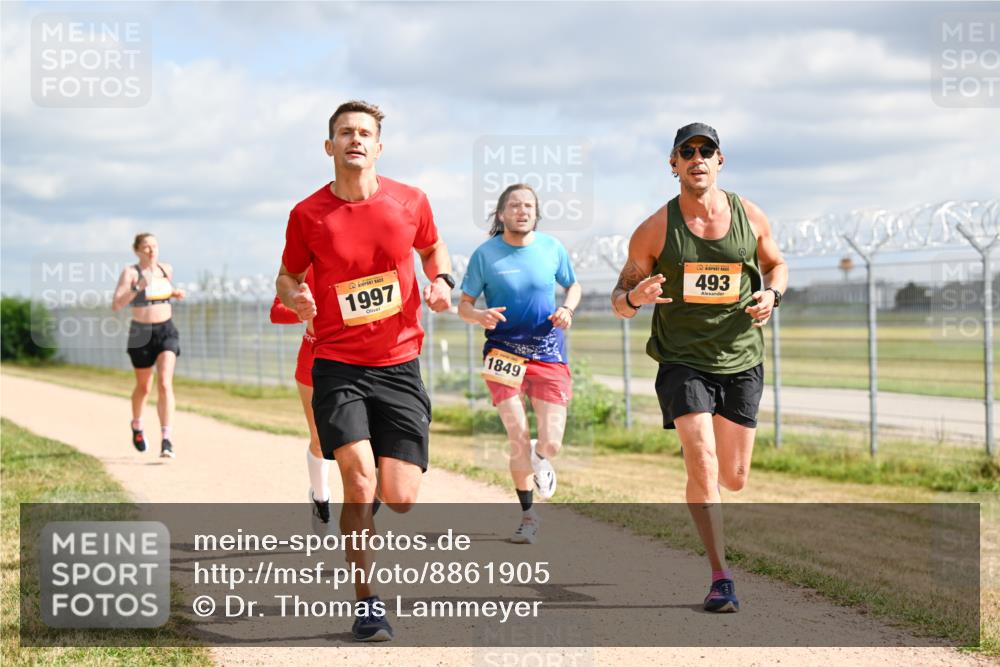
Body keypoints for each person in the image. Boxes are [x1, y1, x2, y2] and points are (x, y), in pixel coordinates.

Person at [276, 100, 452, 642]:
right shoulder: (308, 214)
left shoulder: (410, 201)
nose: (355, 140)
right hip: (337, 365)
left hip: (399, 364)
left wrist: (441, 279)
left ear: (379, 146)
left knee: (399, 497)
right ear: (329, 147)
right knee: (357, 477)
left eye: (365, 133)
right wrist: (297, 298)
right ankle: (368, 600)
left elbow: (433, 247)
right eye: (345, 133)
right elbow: (285, 277)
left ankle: (365, 504)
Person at [611, 123, 788, 613]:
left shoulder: (748, 215)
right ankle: (720, 576)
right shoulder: (653, 230)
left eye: (705, 151)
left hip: (741, 358)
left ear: (719, 160)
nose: (696, 158)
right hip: (682, 359)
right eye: (685, 152)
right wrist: (634, 296)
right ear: (673, 165)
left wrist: (772, 294)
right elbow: (619, 302)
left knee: (733, 477)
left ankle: (709, 493)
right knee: (702, 459)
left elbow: (776, 265)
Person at [459, 184, 580, 544]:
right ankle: (528, 516)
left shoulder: (551, 248)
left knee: (552, 442)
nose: (522, 211)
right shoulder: (486, 255)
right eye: (514, 205)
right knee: (517, 435)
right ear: (501, 214)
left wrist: (567, 308)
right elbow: (464, 305)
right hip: (502, 354)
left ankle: (541, 459)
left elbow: (573, 286)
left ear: (535, 213)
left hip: (547, 352)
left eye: (528, 205)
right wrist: (479, 315)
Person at [269, 266, 341, 530]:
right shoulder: (302, 263)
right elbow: (276, 312)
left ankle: (365, 502)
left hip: (355, 354)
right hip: (314, 354)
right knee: (321, 439)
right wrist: (302, 307)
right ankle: (321, 499)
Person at [111, 233, 186, 458]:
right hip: (141, 333)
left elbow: (161, 292)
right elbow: (117, 304)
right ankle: (137, 425)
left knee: (164, 383)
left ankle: (166, 439)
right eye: (146, 247)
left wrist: (175, 293)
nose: (151, 251)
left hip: (166, 330)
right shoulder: (131, 272)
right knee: (144, 387)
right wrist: (138, 287)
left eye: (154, 246)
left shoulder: (166, 270)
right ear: (137, 250)